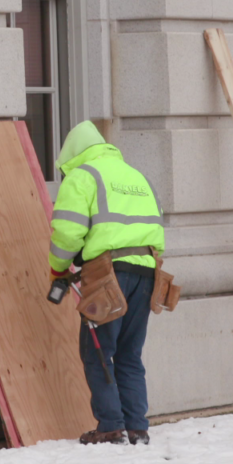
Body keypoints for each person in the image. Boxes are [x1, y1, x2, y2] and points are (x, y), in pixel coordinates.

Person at [47, 121, 165, 445]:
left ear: (73, 154)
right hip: (147, 272)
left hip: (106, 275)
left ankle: (111, 427)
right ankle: (137, 427)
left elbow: (67, 233)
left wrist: (57, 270)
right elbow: (158, 229)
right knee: (129, 353)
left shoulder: (84, 176)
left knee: (98, 352)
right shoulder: (136, 176)